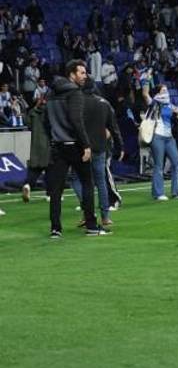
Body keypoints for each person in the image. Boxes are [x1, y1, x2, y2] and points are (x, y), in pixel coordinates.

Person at [46, 60, 106, 237]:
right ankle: (91, 226)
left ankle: (55, 229)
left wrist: (54, 138)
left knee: (56, 190)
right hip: (75, 145)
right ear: (71, 74)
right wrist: (86, 145)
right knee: (87, 184)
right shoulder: (75, 93)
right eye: (82, 72)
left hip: (57, 146)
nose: (85, 76)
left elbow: (45, 121)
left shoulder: (51, 93)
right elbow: (76, 121)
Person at [71, 80, 122, 227]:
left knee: (77, 179)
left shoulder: (78, 103)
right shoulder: (104, 103)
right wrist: (120, 145)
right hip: (100, 147)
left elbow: (74, 124)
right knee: (101, 182)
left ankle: (87, 211)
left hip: (82, 147)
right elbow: (113, 127)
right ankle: (105, 216)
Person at [148, 85, 178, 201]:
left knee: (177, 162)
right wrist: (146, 79)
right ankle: (158, 193)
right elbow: (145, 94)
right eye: (163, 90)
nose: (166, 92)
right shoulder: (154, 103)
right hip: (157, 136)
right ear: (158, 92)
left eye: (166, 90)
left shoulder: (170, 105)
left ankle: (176, 191)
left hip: (169, 137)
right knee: (159, 165)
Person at [21, 89, 51, 202]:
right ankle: (50, 194)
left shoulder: (33, 113)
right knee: (50, 171)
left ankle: (28, 185)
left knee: (34, 171)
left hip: (35, 147)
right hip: (48, 146)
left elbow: (27, 123)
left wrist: (34, 108)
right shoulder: (50, 113)